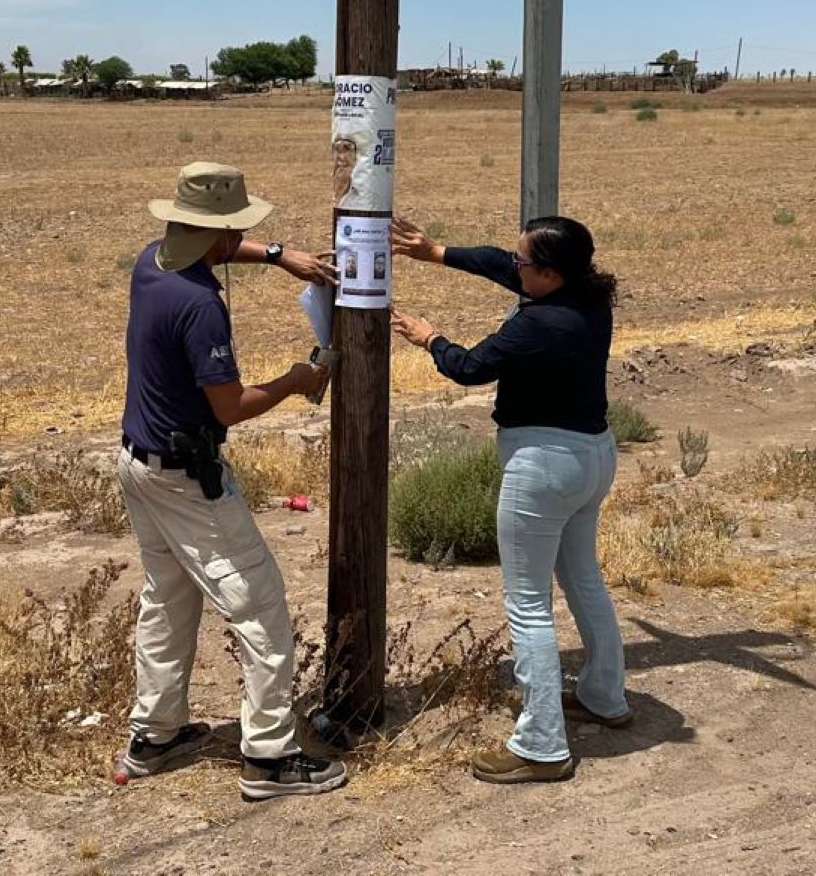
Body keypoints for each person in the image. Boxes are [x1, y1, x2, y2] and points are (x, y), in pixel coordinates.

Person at [115, 161, 349, 801]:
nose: (237, 241)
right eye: (237, 232)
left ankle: (155, 737)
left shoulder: (152, 261)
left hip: (138, 463)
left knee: (168, 599)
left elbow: (218, 245)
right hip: (187, 479)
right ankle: (270, 759)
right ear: (217, 232)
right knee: (261, 607)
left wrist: (278, 256)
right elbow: (230, 408)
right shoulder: (200, 307)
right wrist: (296, 381)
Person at [388, 214, 631, 785]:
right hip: (592, 456)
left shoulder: (539, 326)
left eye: (525, 263)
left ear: (548, 273)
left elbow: (469, 367)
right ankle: (604, 695)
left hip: (543, 466)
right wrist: (438, 251)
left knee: (527, 605)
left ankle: (542, 744)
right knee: (584, 580)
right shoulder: (586, 296)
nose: (513, 266)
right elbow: (502, 263)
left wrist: (430, 338)